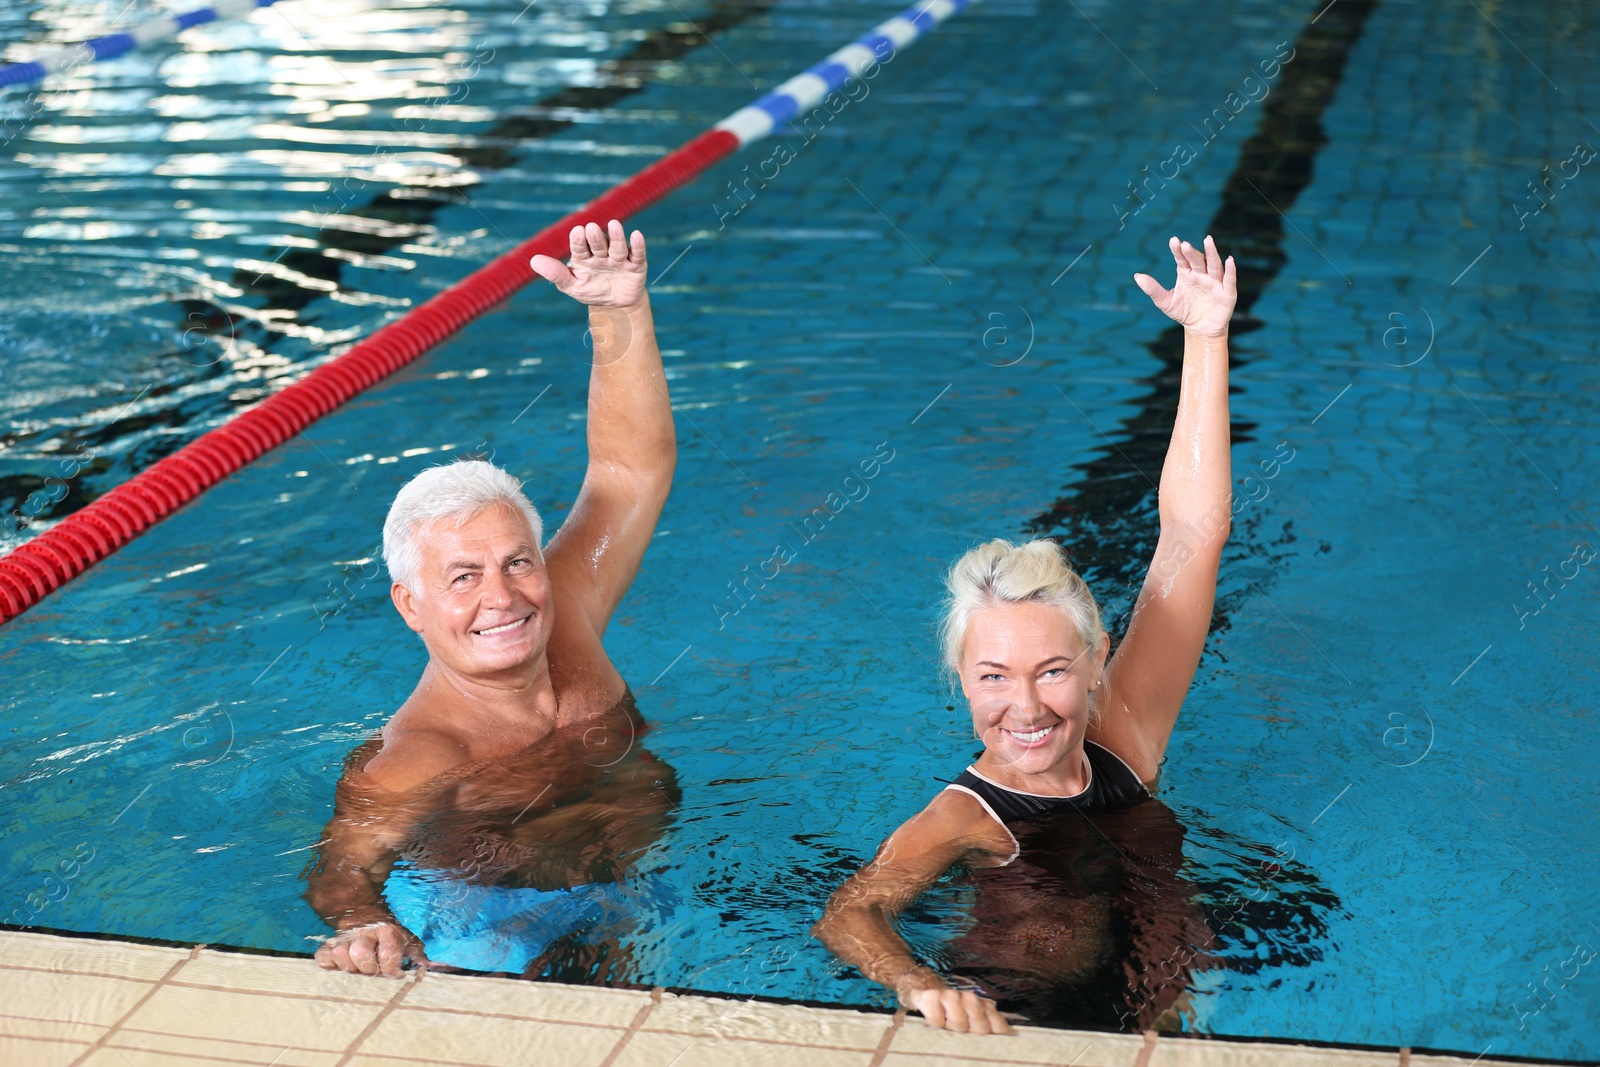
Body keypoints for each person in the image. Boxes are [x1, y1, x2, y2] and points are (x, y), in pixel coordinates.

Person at [812, 236, 1237, 1033]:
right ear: (962, 680)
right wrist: (921, 984)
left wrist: (1206, 338)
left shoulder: (1128, 735)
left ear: (1096, 658)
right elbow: (848, 916)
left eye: (1051, 670)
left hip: (1142, 1000)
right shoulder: (963, 819)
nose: (1026, 707)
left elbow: (1191, 534)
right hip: (1021, 1018)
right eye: (995, 676)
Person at [304, 220, 679, 979]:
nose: (502, 597)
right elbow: (340, 868)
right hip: (497, 928)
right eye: (463, 576)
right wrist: (364, 922)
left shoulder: (564, 614)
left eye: (517, 562)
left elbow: (628, 472)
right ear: (410, 605)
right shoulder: (418, 758)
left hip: (636, 890)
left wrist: (618, 314)